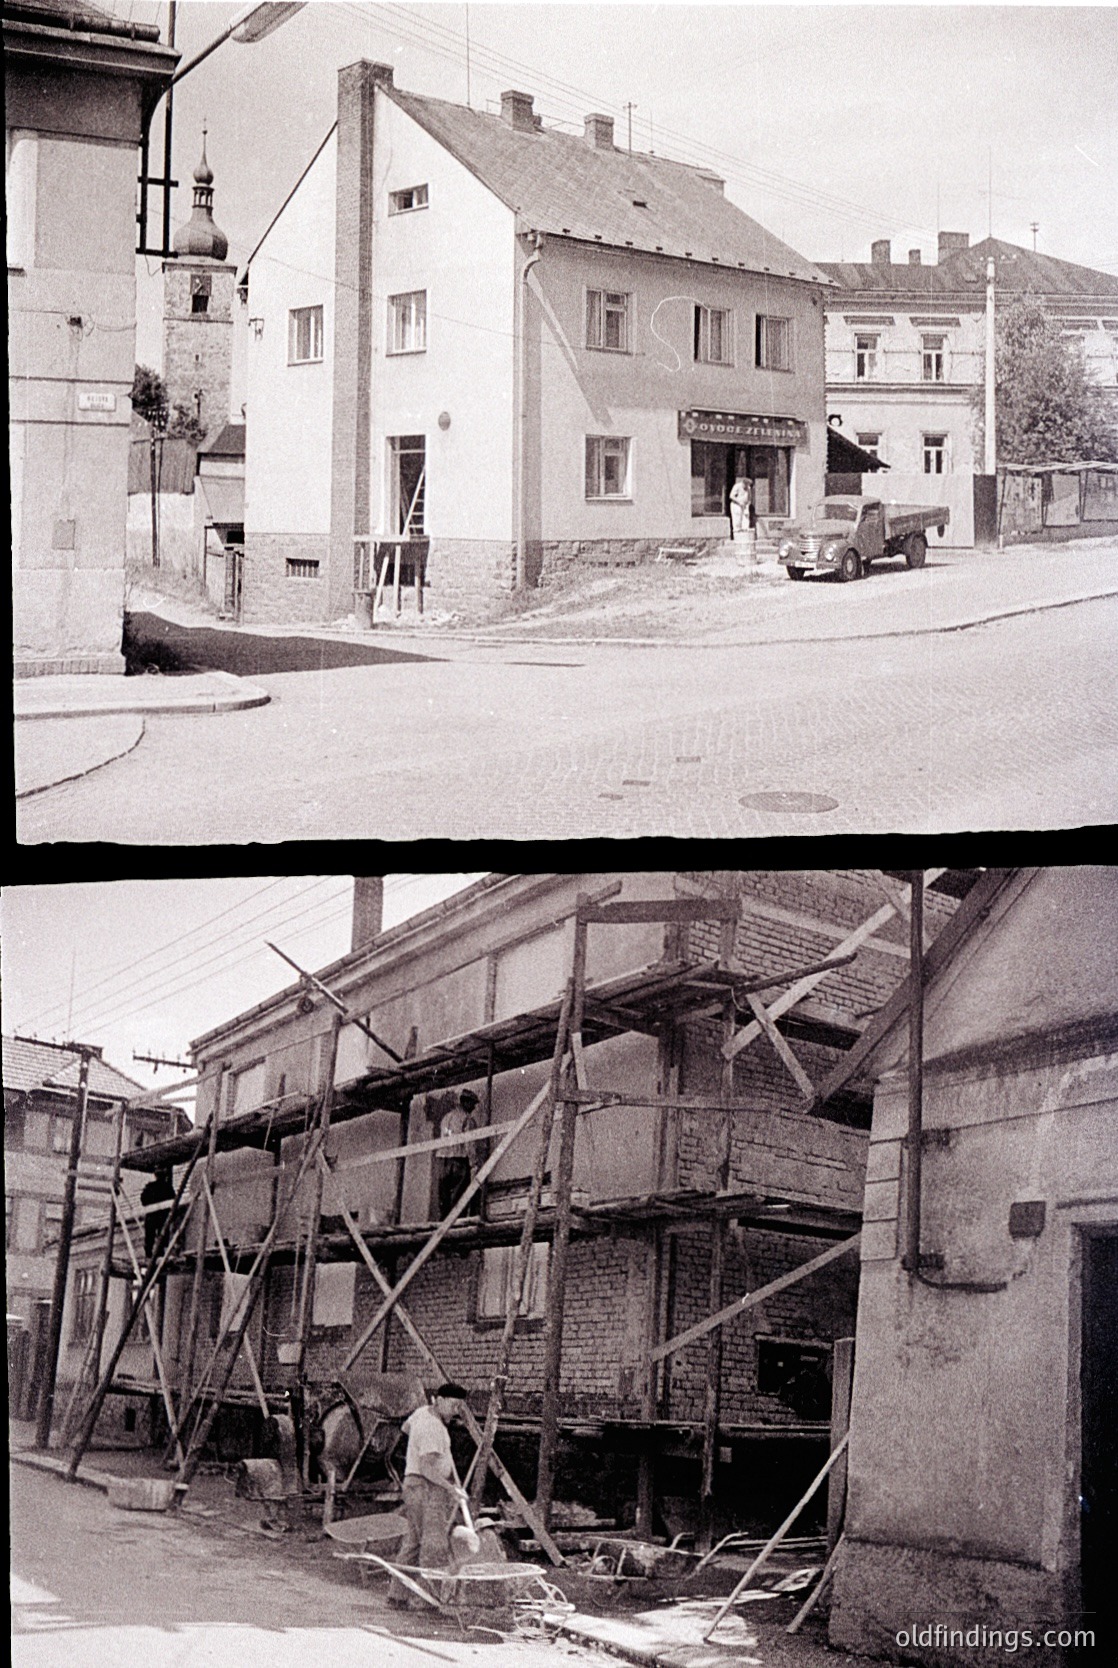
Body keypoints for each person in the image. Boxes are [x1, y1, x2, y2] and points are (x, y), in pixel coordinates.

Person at [390, 1383, 471, 1603]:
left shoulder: (421, 1413)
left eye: (459, 1406)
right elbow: (427, 1468)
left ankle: (397, 1596)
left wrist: (416, 1446)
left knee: (414, 1541)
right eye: (453, 1405)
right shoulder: (432, 1427)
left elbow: (405, 1428)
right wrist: (451, 1489)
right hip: (426, 1487)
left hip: (415, 1484)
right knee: (434, 1543)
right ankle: (430, 1599)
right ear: (439, 1399)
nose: (455, 1411)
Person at [436, 1090, 481, 1219]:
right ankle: (455, 1229)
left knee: (444, 1199)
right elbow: (470, 1144)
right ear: (465, 1102)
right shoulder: (467, 1119)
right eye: (472, 1104)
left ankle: (442, 1226)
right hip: (459, 1162)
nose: (474, 1107)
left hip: (443, 1162)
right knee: (458, 1199)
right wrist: (474, 1165)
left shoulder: (446, 1118)